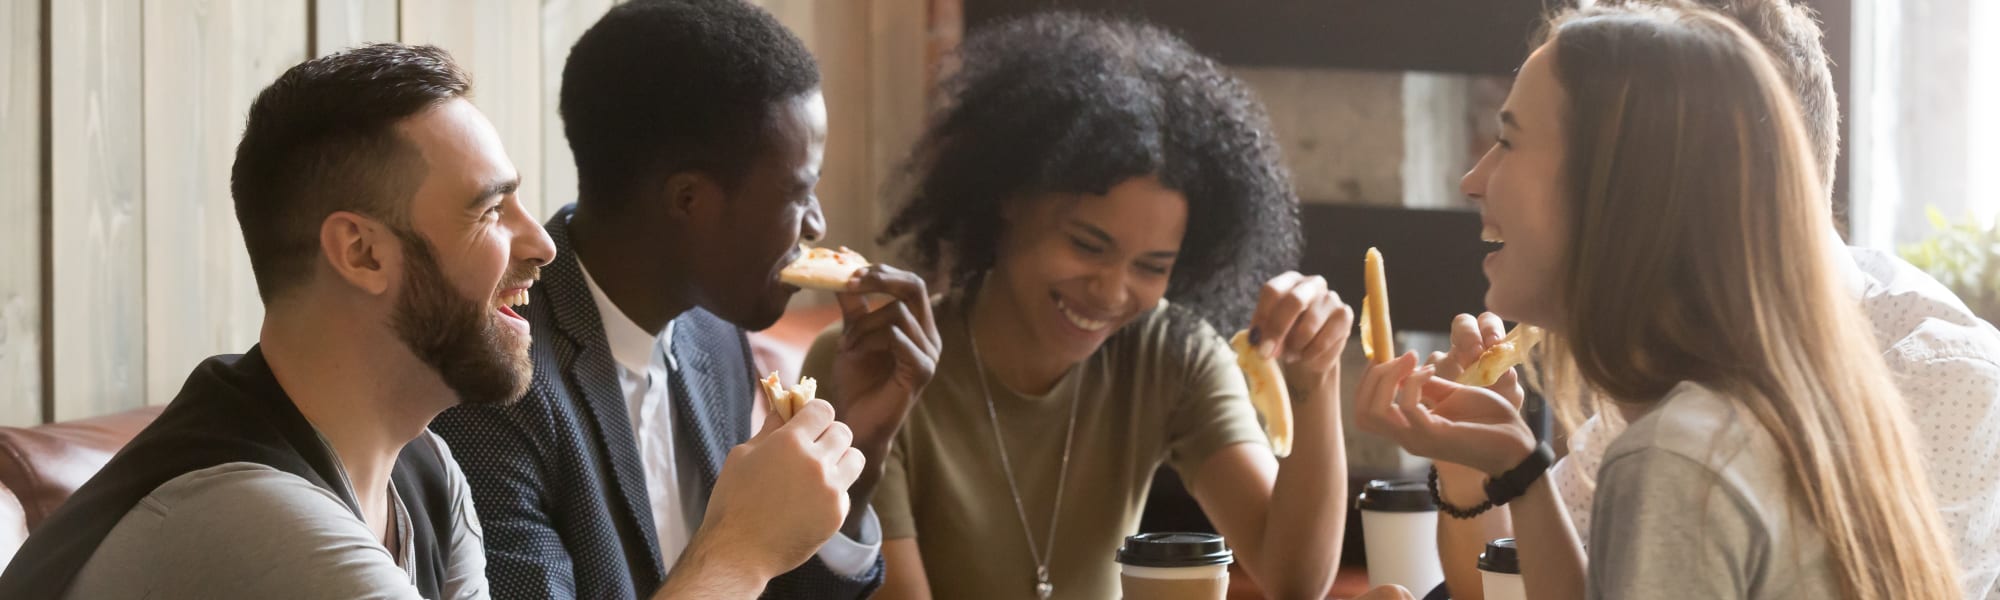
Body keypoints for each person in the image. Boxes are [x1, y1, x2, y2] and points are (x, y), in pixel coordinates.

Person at [1355, 4, 1966, 599]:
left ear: (1619, 195)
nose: (1473, 181)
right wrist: (1518, 467)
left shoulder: (1677, 457)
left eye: (1510, 143)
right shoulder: (1762, 406)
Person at [801, 13, 1355, 600]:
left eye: (1152, 267)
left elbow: (1295, 580)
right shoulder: (873, 364)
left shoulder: (1170, 354)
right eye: (1088, 245)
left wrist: (1313, 384)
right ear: (1009, 197)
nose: (1113, 292)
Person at [0, 43, 553, 599]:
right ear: (361, 253)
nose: (543, 243)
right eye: (490, 211)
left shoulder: (424, 471)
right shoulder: (250, 517)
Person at [428, 1, 939, 598]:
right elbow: (738, 562)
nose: (818, 226)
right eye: (798, 193)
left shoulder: (714, 337)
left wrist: (857, 455)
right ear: (689, 200)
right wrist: (738, 548)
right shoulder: (495, 385)